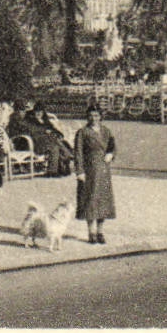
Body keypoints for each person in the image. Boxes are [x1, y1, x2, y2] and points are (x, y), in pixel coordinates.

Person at [74, 104, 117, 244]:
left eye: (97, 115)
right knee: (90, 200)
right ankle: (91, 232)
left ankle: (100, 231)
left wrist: (111, 154)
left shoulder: (106, 131)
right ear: (87, 116)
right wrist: (79, 171)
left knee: (103, 201)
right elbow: (78, 153)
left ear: (101, 116)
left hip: (104, 170)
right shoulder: (82, 132)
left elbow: (112, 146)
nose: (94, 118)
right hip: (89, 169)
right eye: (91, 115)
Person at [27, 103, 75, 176]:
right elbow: (33, 132)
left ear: (43, 112)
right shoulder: (31, 121)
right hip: (38, 143)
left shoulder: (45, 121)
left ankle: (60, 168)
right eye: (37, 111)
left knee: (61, 142)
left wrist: (58, 134)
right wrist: (44, 131)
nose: (39, 113)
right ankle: (55, 169)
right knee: (56, 146)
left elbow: (53, 129)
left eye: (41, 111)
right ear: (34, 112)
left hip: (49, 141)